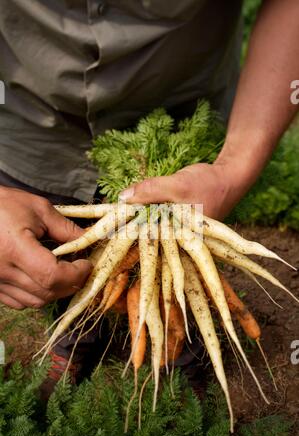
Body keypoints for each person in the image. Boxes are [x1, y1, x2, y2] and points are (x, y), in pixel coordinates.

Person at [0, 1, 298, 390]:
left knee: (183, 277)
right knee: (63, 260)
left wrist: (231, 171)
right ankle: (78, 332)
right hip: (30, 119)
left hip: (182, 110)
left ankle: (181, 348)